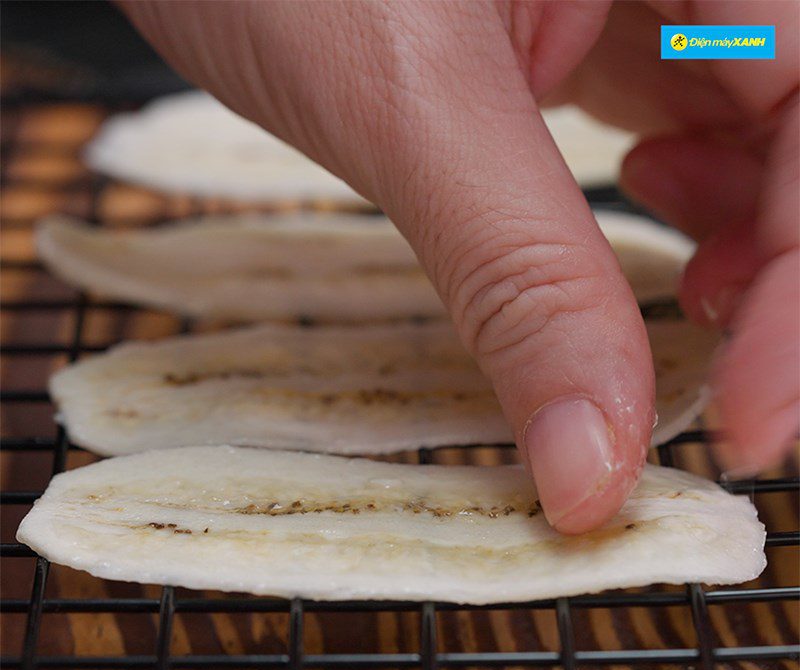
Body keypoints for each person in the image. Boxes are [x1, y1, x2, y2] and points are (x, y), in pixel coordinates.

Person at [119, 0, 799, 534]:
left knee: (719, 38)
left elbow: (702, 41)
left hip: (669, 44)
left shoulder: (672, 42)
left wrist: (709, 41)